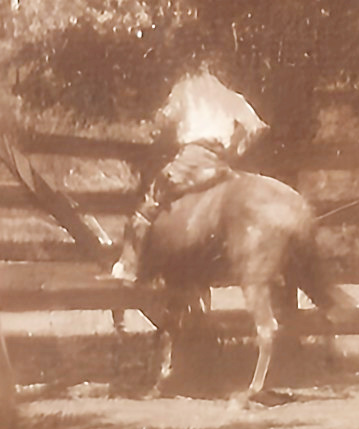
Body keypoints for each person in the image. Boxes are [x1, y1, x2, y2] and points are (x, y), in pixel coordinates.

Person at [107, 72, 269, 283]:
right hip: (220, 162)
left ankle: (129, 266)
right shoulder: (229, 95)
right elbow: (258, 127)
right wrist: (236, 152)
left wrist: (165, 139)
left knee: (149, 203)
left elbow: (163, 124)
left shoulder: (185, 89)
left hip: (193, 159)